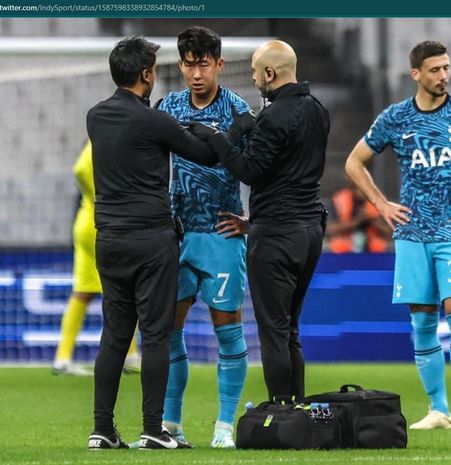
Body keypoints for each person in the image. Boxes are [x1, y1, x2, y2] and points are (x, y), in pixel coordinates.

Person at [344, 40, 451, 431]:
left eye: (446, 68)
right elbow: (354, 162)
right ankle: (438, 410)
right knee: (422, 323)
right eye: (435, 70)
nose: (444, 75)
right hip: (412, 235)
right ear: (416, 74)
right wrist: (381, 204)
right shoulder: (395, 118)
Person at [86, 36, 219, 450]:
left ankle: (102, 430)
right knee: (156, 336)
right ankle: (153, 428)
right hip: (151, 240)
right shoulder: (154, 120)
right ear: (146, 76)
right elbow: (207, 156)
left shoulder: (95, 116)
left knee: (114, 335)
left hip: (108, 239)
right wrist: (217, 131)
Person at [191, 40, 329, 403]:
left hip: (277, 235)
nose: (253, 79)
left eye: (255, 72)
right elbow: (292, 173)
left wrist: (218, 139)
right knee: (290, 330)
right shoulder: (318, 110)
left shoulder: (274, 117)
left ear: (270, 73)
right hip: (310, 230)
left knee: (273, 330)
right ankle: (296, 408)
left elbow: (248, 171)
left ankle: (281, 410)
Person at [157, 26, 250, 449]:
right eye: (189, 64)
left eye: (204, 64)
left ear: (218, 64)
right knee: (168, 331)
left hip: (221, 233)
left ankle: (225, 425)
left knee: (227, 330)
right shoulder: (168, 107)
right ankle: (170, 424)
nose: (197, 73)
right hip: (177, 234)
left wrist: (253, 219)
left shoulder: (238, 110)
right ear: (180, 65)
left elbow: (263, 168)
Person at [52, 140, 141, 377]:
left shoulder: (94, 143)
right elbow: (81, 170)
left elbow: (79, 170)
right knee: (122, 289)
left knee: (82, 291)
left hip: (85, 222)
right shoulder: (101, 144)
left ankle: (62, 357)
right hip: (103, 224)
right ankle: (130, 355)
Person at [326, 182, 392, 253]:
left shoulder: (378, 202)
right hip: (344, 254)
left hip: (373, 254)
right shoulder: (340, 199)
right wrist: (358, 220)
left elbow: (388, 231)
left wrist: (371, 220)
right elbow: (330, 229)